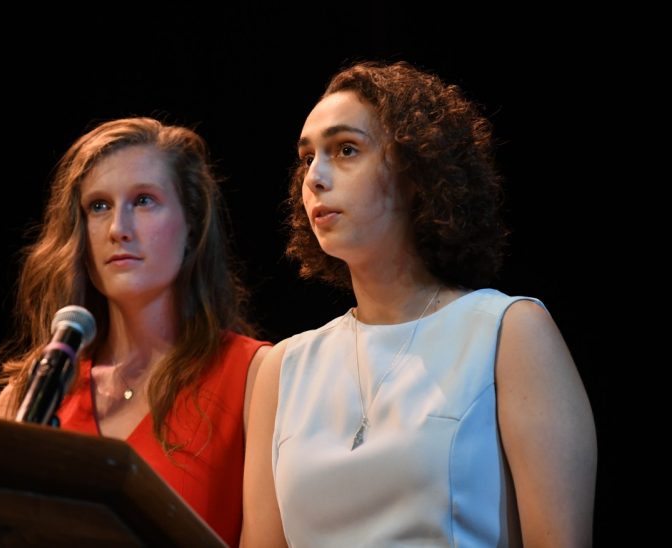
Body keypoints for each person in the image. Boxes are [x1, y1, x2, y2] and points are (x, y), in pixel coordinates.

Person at [242, 61, 597, 547]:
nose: (315, 178)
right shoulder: (283, 369)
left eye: (345, 150)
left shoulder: (508, 332)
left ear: (416, 170)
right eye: (308, 158)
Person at [0, 117, 270, 547]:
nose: (119, 227)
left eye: (143, 200)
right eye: (98, 206)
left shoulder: (255, 375)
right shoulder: (30, 397)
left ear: (191, 224)